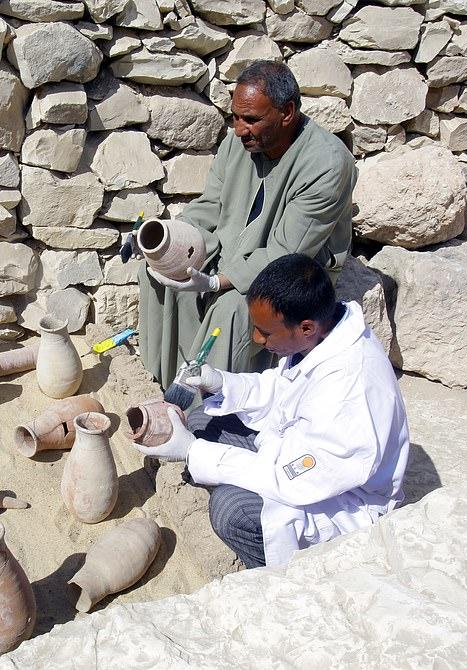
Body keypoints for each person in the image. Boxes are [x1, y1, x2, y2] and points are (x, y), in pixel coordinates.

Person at [136, 254, 410, 568]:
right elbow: (279, 390)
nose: (257, 339)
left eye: (265, 333)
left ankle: (284, 578)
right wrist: (220, 382)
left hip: (339, 498)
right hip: (296, 454)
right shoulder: (323, 334)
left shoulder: (351, 389)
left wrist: (194, 452)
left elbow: (292, 478)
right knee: (203, 420)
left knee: (231, 510)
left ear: (306, 328)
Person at [135, 60, 357, 388]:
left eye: (251, 119)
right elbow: (210, 208)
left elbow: (287, 254)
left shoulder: (327, 164)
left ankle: (204, 412)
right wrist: (169, 239)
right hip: (233, 249)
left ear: (287, 112)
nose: (240, 129)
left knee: (232, 311)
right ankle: (163, 381)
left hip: (294, 277)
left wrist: (217, 282)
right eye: (236, 117)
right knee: (156, 273)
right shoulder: (238, 142)